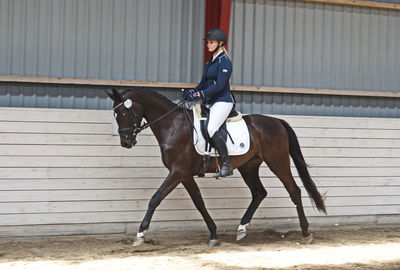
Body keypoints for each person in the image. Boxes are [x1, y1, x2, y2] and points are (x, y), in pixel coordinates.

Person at [184, 28, 234, 178]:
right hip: (210, 101)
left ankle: (226, 165)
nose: (208, 45)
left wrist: (202, 93)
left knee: (212, 127)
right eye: (208, 42)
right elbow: (202, 83)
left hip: (222, 101)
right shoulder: (210, 62)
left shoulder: (225, 63)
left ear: (220, 43)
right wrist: (191, 92)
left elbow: (219, 86)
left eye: (211, 42)